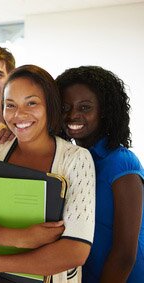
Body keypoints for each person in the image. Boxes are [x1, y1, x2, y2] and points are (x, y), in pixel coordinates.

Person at [0, 64, 95, 282]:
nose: (19, 114)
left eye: (31, 103)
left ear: (50, 105)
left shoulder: (76, 159)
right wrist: (23, 238)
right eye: (10, 105)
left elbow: (75, 251)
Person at [56, 66, 144, 283]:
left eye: (85, 107)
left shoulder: (121, 163)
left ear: (104, 111)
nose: (73, 115)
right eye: (65, 107)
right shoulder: (67, 160)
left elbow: (125, 254)